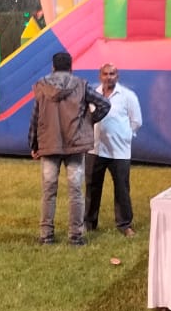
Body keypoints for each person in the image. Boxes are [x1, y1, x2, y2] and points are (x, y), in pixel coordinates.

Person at [29, 51, 110, 246]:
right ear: (71, 67)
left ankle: (46, 235)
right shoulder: (81, 85)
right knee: (75, 191)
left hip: (49, 144)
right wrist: (89, 121)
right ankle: (75, 235)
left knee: (49, 191)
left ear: (53, 67)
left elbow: (36, 116)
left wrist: (33, 144)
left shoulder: (41, 86)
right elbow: (104, 104)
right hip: (75, 144)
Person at [85, 63, 143, 237]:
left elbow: (136, 121)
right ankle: (89, 223)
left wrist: (126, 136)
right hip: (95, 149)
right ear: (100, 76)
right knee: (92, 187)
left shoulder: (127, 96)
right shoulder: (92, 94)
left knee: (122, 189)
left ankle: (125, 224)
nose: (108, 77)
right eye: (105, 74)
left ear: (117, 76)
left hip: (120, 151)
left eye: (112, 74)